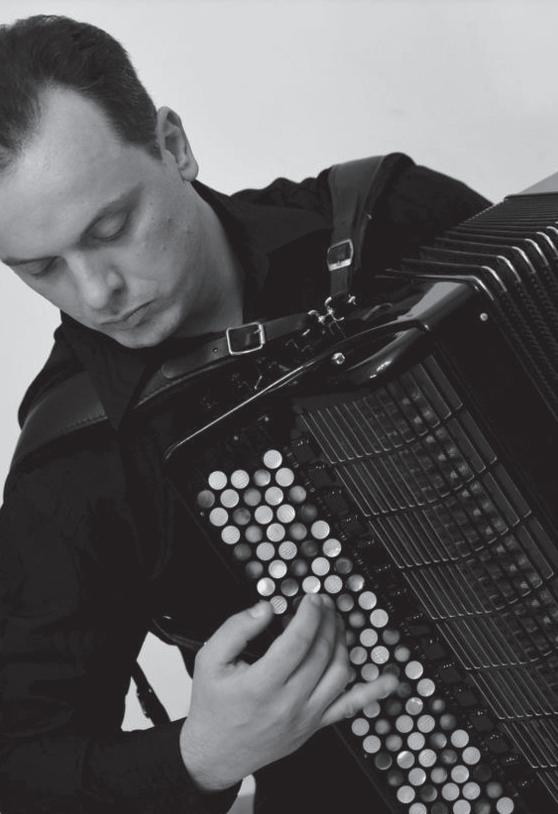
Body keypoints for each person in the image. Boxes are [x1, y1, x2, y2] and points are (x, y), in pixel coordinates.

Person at [0, 14, 490, 814]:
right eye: (41, 267)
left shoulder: (398, 219)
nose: (97, 292)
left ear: (174, 147)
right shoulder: (77, 461)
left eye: (112, 229)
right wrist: (201, 756)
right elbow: (21, 767)